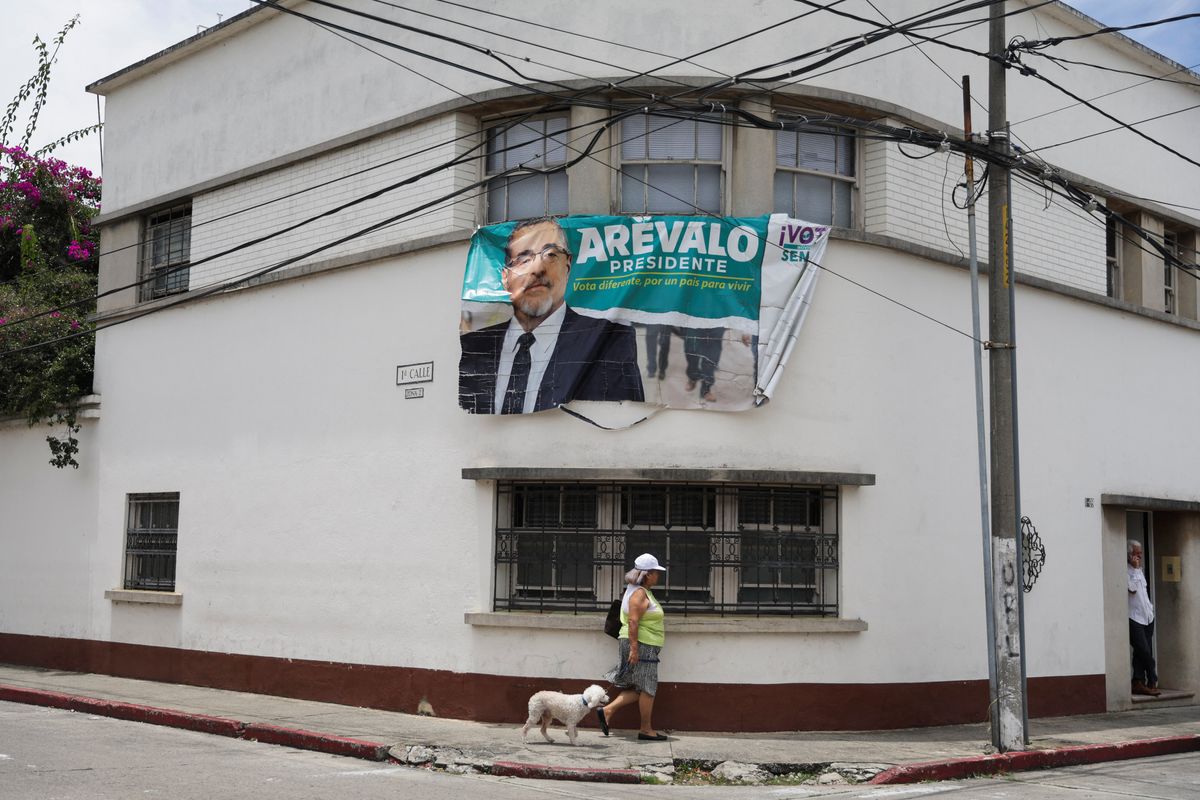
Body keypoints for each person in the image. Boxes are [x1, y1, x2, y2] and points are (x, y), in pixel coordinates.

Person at [458, 217, 645, 414]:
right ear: (505, 277)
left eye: (550, 254)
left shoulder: (610, 340)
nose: (538, 269)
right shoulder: (477, 347)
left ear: (568, 265)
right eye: (523, 259)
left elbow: (625, 418)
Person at [596, 553, 669, 741]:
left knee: (639, 687)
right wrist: (635, 649)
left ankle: (607, 711)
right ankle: (646, 729)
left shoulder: (638, 590)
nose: (658, 576)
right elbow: (633, 621)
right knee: (648, 688)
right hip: (642, 645)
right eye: (655, 573)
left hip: (644, 645)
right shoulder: (638, 593)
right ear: (646, 574)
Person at [1128, 540, 1160, 696]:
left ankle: (1138, 681)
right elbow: (1132, 590)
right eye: (1136, 553)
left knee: (1140, 653)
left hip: (1147, 617)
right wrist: (1134, 570)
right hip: (1134, 618)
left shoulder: (1139, 570)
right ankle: (1153, 678)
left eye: (1140, 553)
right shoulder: (1128, 571)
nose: (1139, 556)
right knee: (1144, 651)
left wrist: (1151, 611)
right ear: (1129, 554)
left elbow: (1144, 593)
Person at [683, 326, 725, 402]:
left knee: (712, 356)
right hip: (695, 319)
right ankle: (693, 377)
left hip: (717, 321)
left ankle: (706, 389)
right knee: (691, 350)